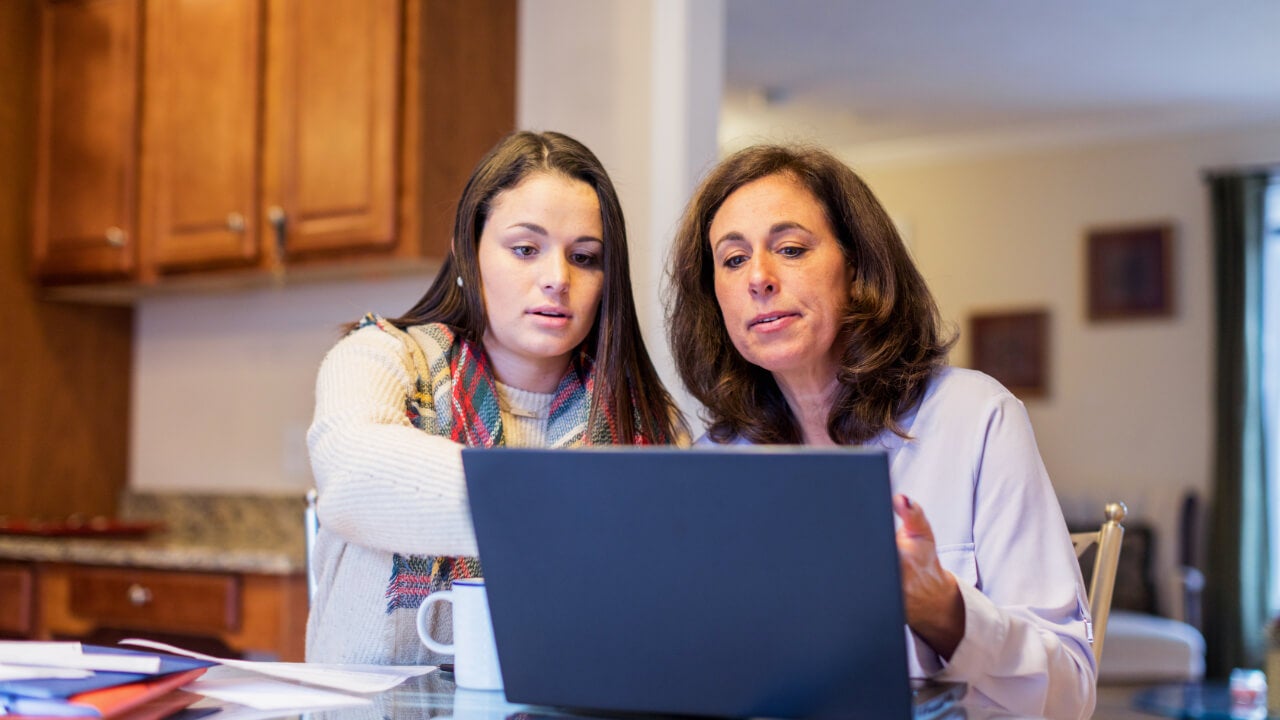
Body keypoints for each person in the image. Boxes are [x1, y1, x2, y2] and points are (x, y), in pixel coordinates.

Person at [666, 144, 1096, 719]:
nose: (760, 279)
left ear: (859, 268)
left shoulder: (977, 419)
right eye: (733, 259)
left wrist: (944, 609)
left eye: (790, 249)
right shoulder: (712, 465)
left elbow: (1071, 695)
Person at [307, 130, 686, 664]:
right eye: (526, 249)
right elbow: (354, 479)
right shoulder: (381, 358)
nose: (557, 279)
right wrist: (585, 506)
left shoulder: (646, 418)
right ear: (470, 253)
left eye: (584, 257)